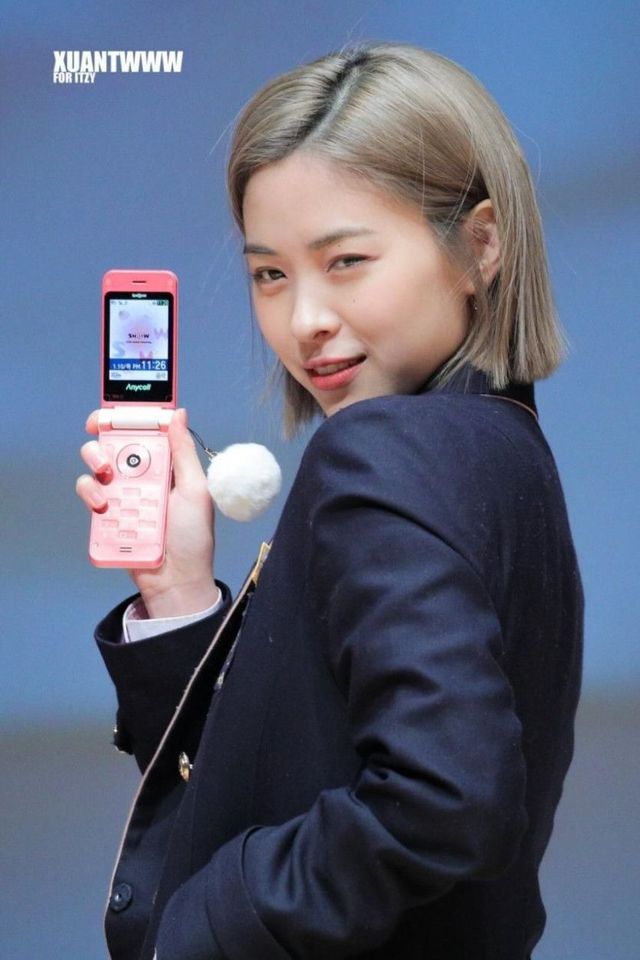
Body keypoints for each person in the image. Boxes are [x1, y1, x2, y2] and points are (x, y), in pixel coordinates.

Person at [76, 42, 583, 960]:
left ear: (480, 245)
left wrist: (215, 914)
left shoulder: (381, 450)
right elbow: (280, 771)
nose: (303, 319)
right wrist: (179, 597)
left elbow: (447, 799)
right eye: (270, 274)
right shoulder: (510, 453)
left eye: (345, 260)